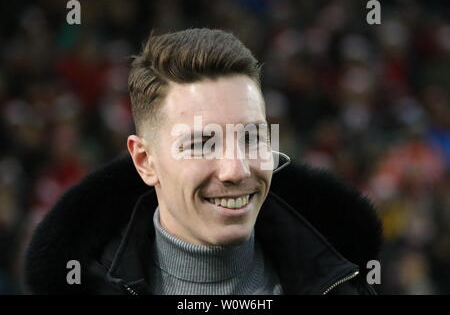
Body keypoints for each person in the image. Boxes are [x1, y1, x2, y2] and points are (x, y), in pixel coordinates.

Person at [24, 28, 382, 295]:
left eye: (252, 138)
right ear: (145, 161)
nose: (236, 170)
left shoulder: (346, 281)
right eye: (201, 144)